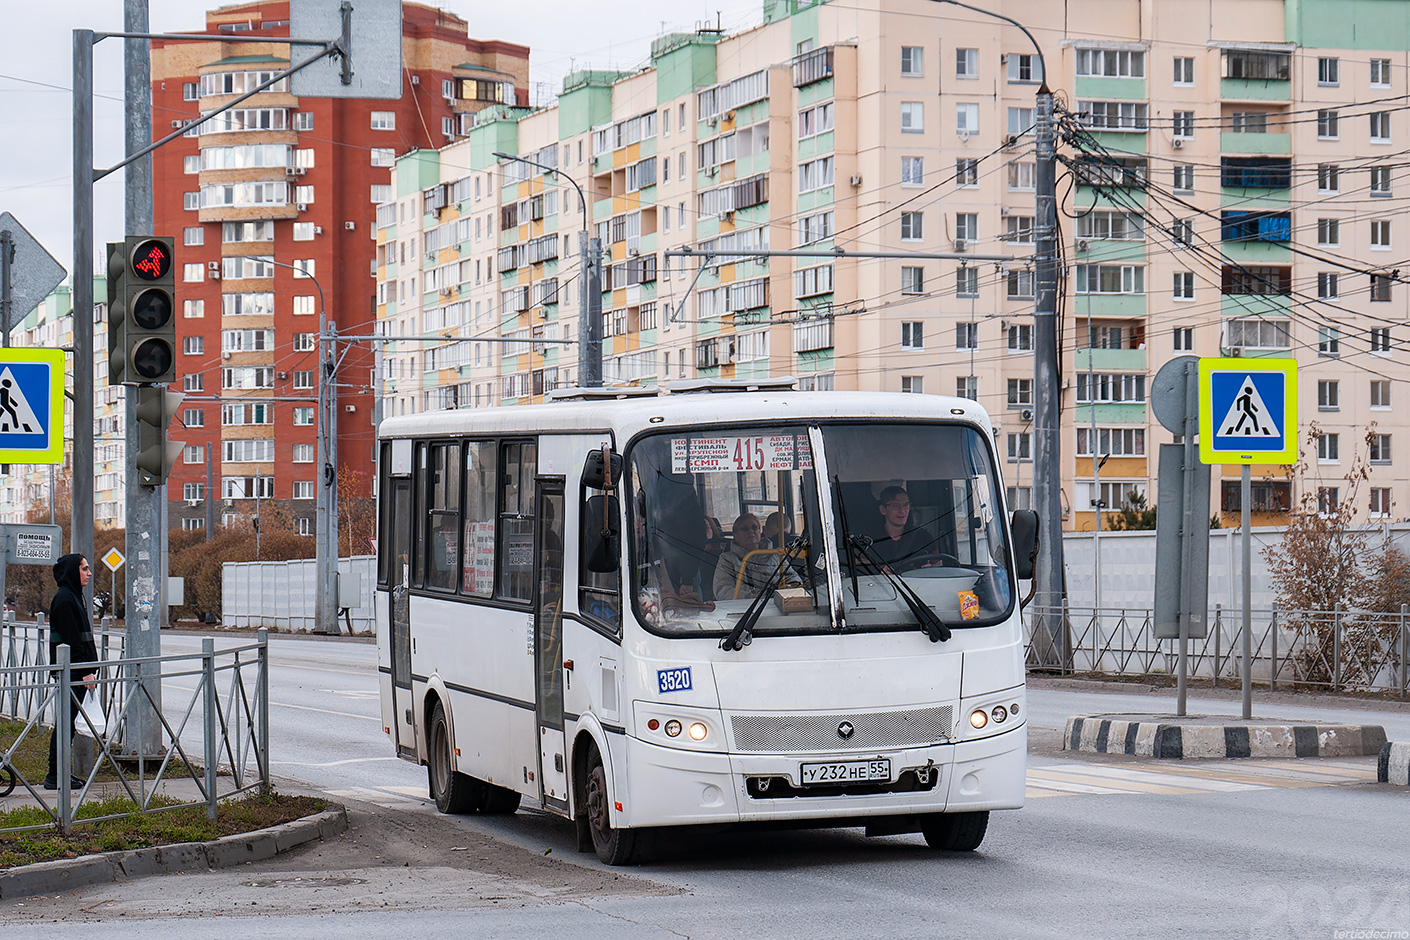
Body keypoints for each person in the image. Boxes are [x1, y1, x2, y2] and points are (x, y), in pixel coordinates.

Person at [46, 554, 98, 791]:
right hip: (71, 672)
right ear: (72, 571)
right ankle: (55, 776)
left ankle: (58, 775)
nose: (89, 573)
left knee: (68, 724)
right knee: (65, 724)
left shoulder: (73, 596)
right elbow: (71, 640)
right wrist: (85, 670)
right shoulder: (66, 599)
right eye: (84, 569)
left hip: (74, 671)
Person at [712, 513, 783, 599]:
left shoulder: (775, 555)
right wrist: (750, 596)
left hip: (775, 605)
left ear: (760, 533)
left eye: (754, 527)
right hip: (744, 608)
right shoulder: (727, 559)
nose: (751, 531)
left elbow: (794, 581)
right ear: (736, 536)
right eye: (744, 529)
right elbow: (722, 591)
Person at [867, 486, 933, 571]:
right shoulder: (870, 541)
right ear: (883, 509)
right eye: (896, 506)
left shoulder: (923, 537)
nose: (902, 511)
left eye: (906, 505)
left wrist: (930, 568)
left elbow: (939, 563)